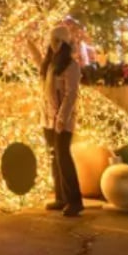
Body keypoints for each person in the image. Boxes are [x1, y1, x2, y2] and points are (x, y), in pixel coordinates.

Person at [40, 25, 83, 217]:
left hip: (62, 120)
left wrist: (62, 118)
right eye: (52, 40)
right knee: (54, 157)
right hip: (48, 118)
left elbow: (71, 93)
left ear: (64, 43)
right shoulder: (50, 64)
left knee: (63, 157)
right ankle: (61, 197)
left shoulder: (70, 65)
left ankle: (75, 200)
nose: (54, 44)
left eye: (58, 41)